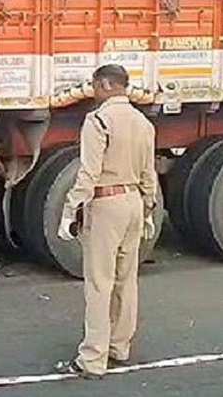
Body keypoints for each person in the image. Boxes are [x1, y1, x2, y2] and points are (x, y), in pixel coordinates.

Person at [54, 64, 158, 380]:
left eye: (95, 86)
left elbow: (88, 173)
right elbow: (148, 173)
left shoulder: (98, 121)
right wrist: (149, 208)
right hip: (134, 203)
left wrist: (70, 210)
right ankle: (119, 346)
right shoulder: (143, 123)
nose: (94, 92)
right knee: (126, 280)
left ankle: (92, 358)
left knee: (100, 283)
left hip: (106, 203)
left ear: (105, 85)